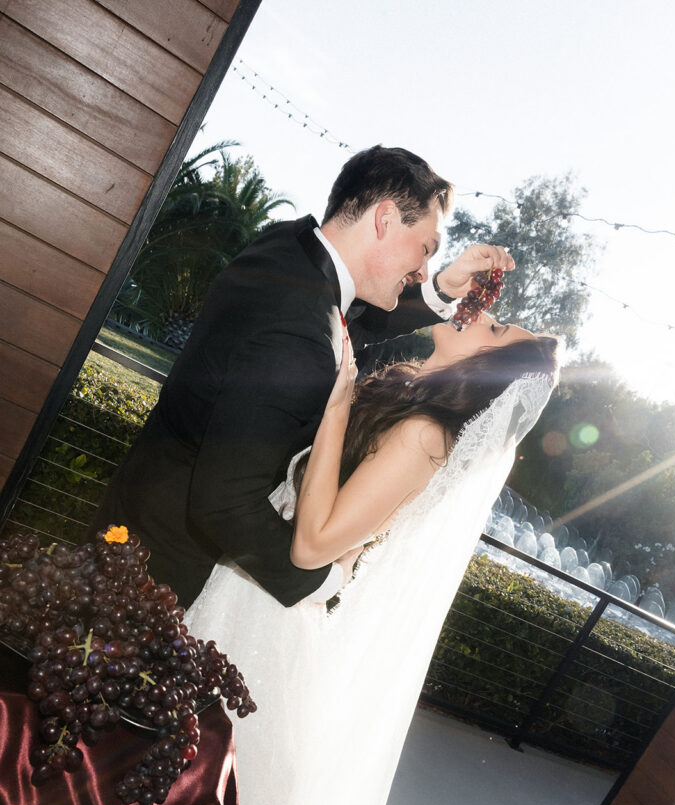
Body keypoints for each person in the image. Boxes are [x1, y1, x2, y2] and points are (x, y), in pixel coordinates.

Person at [184, 315, 570, 805]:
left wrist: (336, 408)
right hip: (241, 594)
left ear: (491, 363)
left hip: (270, 619)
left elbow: (314, 545)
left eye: (497, 324)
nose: (479, 313)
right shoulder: (408, 395)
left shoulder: (425, 437)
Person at [92, 145, 514, 611]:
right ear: (386, 220)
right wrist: (323, 589)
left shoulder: (286, 250)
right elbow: (224, 504)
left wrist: (440, 290)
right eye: (426, 249)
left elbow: (347, 315)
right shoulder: (300, 336)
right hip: (164, 570)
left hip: (135, 513)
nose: (424, 269)